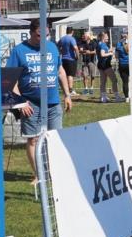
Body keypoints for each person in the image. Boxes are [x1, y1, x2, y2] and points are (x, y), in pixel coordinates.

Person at [6, 20, 72, 185]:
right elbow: (10, 80)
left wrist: (67, 94)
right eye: (38, 36)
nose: (42, 39)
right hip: (30, 103)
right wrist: (21, 103)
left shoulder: (52, 47)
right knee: (33, 139)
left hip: (52, 102)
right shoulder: (19, 51)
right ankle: (38, 174)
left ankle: (54, 172)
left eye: (46, 35)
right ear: (31, 32)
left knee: (55, 138)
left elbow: (60, 70)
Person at [96, 31, 118, 103]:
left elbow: (102, 53)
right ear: (103, 37)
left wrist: (108, 50)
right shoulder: (102, 44)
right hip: (105, 65)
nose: (108, 38)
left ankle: (103, 97)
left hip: (101, 64)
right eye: (106, 37)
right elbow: (102, 54)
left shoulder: (99, 44)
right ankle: (116, 96)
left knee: (103, 81)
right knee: (114, 80)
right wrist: (110, 53)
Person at [57, 26, 79, 97]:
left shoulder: (62, 38)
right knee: (70, 75)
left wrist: (61, 51)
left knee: (65, 75)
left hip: (63, 59)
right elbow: (75, 48)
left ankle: (65, 90)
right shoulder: (71, 39)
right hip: (71, 59)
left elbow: (57, 46)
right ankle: (71, 90)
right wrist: (77, 56)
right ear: (72, 32)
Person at [115, 32, 132, 101]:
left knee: (125, 81)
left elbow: (116, 56)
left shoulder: (118, 45)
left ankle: (126, 97)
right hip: (131, 64)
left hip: (122, 64)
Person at [79, 31, 97, 96]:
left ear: (89, 36)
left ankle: (91, 88)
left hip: (92, 61)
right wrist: (84, 51)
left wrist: (90, 52)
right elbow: (80, 50)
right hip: (84, 61)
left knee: (93, 76)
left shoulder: (93, 43)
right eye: (84, 35)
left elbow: (95, 51)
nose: (84, 36)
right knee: (85, 75)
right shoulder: (82, 43)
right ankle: (86, 88)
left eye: (86, 35)